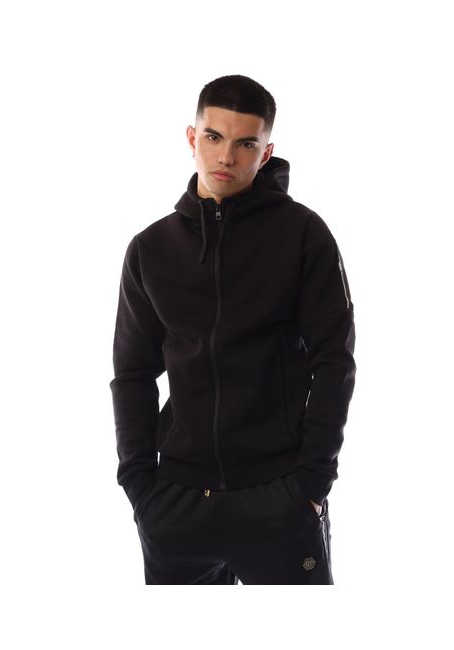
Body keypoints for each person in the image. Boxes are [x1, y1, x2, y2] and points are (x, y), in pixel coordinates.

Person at [109, 74, 356, 584]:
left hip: (279, 496)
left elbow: (334, 363)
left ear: (266, 153)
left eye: (246, 143)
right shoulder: (151, 249)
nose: (226, 157)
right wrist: (139, 484)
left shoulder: (303, 236)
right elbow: (132, 374)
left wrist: (311, 484)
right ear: (191, 137)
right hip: (176, 501)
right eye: (213, 137)